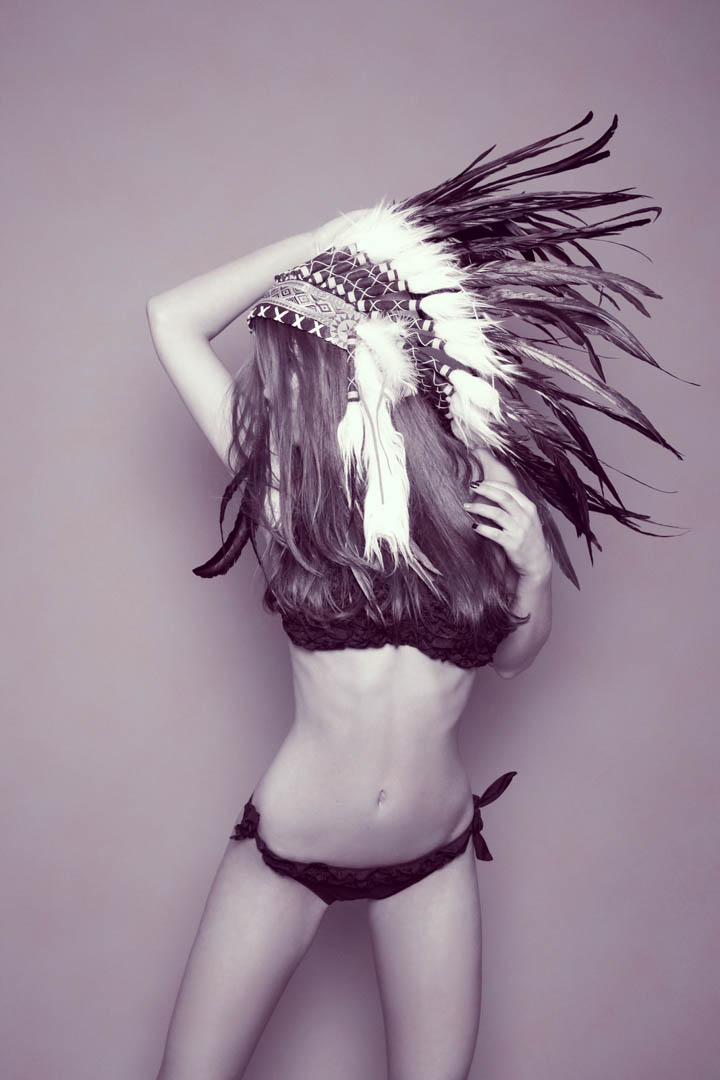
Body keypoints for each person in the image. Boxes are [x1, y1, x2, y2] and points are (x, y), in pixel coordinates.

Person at [146, 113, 683, 1080]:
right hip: (287, 850)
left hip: (434, 856)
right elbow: (170, 319)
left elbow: (512, 660)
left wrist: (533, 572)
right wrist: (321, 243)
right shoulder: (284, 484)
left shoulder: (472, 476)